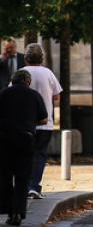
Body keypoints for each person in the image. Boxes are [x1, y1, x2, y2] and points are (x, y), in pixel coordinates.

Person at [0, 70, 48, 226]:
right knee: (23, 177)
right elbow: (44, 119)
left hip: (5, 138)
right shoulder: (35, 95)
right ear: (29, 81)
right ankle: (19, 212)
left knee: (5, 175)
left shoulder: (3, 94)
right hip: (26, 138)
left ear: (12, 80)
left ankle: (8, 209)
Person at [21, 44, 61, 201]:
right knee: (40, 154)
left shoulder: (21, 73)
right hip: (45, 123)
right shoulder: (48, 73)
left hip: (24, 123)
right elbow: (57, 96)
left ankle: (23, 186)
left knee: (24, 155)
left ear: (25, 58)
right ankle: (34, 186)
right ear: (42, 59)